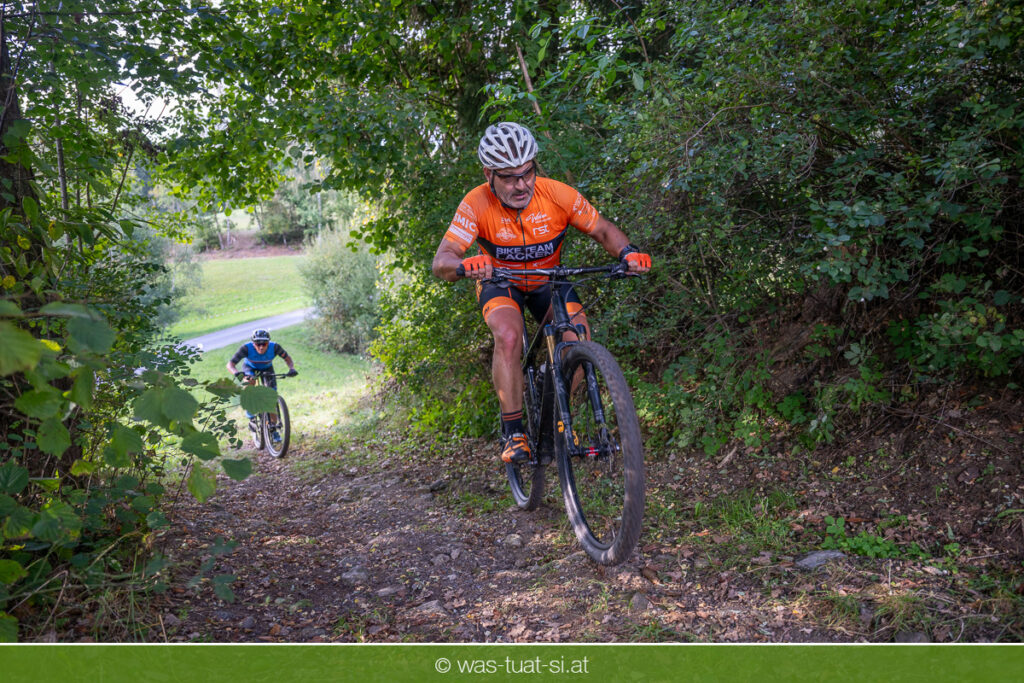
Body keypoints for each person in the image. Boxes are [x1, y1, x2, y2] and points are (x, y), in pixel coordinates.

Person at [431, 121, 651, 465]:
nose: (521, 185)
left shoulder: (557, 194)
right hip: (500, 282)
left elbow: (603, 230)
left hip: (549, 280)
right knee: (508, 336)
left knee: (579, 336)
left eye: (527, 172)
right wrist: (463, 265)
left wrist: (628, 253)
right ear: (489, 174)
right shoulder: (476, 203)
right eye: (509, 177)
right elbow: (441, 260)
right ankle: (514, 433)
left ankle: (557, 416)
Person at [226, 329, 298, 443]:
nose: (261, 347)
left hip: (267, 368)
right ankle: (251, 417)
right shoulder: (246, 348)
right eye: (257, 344)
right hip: (250, 368)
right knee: (250, 383)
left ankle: (273, 428)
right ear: (253, 343)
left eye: (264, 344)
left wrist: (292, 369)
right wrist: (237, 373)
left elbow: (287, 358)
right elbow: (230, 364)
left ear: (268, 342)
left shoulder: (275, 347)